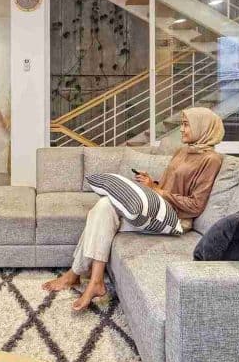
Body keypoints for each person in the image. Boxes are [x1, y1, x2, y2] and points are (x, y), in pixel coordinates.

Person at [43, 106, 225, 312]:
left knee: (103, 211)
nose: (181, 129)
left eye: (186, 125)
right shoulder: (183, 151)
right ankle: (94, 281)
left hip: (175, 219)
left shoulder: (211, 160)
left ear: (202, 127)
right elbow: (168, 186)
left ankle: (77, 275)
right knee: (103, 208)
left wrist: (156, 190)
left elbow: (196, 205)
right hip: (159, 208)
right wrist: (152, 183)